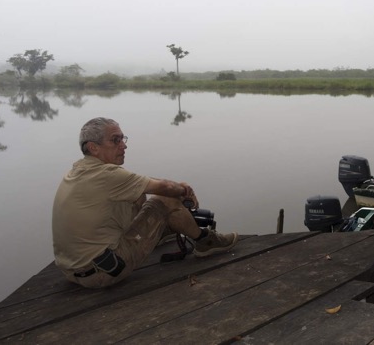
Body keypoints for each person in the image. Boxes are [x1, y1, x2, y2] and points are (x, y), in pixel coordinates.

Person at [52, 117, 238, 288]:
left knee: (139, 194)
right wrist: (184, 190)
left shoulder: (78, 171)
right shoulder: (107, 174)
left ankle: (163, 230)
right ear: (93, 147)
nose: (123, 145)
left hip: (73, 271)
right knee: (166, 199)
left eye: (123, 139)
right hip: (105, 272)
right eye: (115, 140)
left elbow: (141, 183)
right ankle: (205, 241)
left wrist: (172, 187)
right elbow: (164, 188)